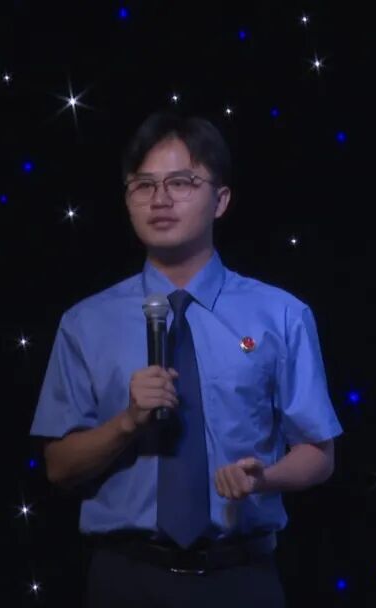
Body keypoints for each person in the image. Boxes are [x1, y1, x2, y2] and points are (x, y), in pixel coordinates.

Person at [29, 112, 343, 607]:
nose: (160, 199)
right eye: (143, 185)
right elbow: (58, 467)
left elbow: (319, 453)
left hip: (240, 577)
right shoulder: (85, 323)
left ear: (221, 200)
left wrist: (264, 478)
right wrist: (127, 422)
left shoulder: (281, 314)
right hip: (125, 579)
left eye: (181, 182)